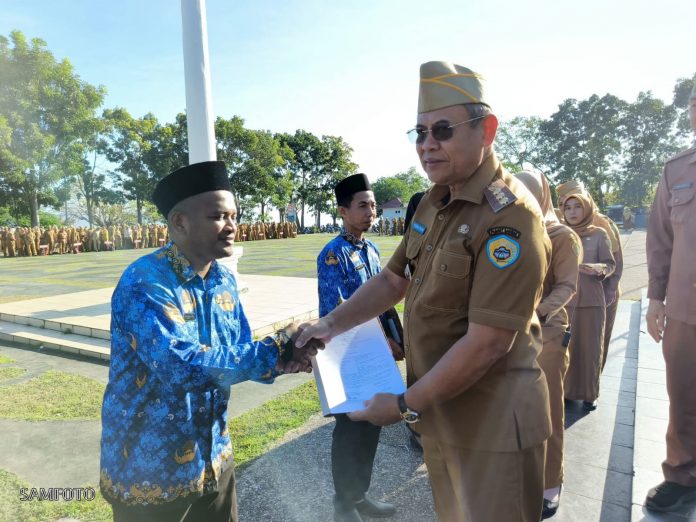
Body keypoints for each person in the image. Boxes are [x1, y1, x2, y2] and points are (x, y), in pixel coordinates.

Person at [298, 61, 551, 522]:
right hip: (441, 413)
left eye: (443, 130)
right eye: (419, 132)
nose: (427, 144)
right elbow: (393, 280)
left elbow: (489, 342)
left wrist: (402, 405)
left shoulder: (510, 216)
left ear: (486, 130)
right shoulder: (435, 202)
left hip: (492, 425)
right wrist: (329, 324)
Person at [99, 161, 320, 522]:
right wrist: (279, 347)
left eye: (234, 216)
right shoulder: (145, 282)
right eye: (218, 216)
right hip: (149, 472)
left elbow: (237, 351)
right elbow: (180, 365)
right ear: (179, 222)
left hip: (213, 456)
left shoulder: (223, 281)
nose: (232, 226)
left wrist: (286, 359)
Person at [317, 173, 402, 522]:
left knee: (372, 425)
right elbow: (333, 308)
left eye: (374, 206)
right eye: (363, 206)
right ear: (343, 211)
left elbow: (384, 300)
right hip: (348, 355)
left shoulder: (372, 249)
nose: (371, 212)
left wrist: (395, 336)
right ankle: (343, 503)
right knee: (349, 430)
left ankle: (360, 495)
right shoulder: (332, 254)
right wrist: (379, 338)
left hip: (376, 353)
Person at [644, 82, 696, 513]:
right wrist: (656, 299)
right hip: (685, 310)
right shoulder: (676, 170)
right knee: (683, 395)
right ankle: (682, 474)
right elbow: (660, 240)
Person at [517, 170, 581, 518]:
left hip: (548, 333)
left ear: (541, 195)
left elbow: (568, 286)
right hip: (510, 335)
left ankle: (550, 482)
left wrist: (536, 312)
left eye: (527, 193)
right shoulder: (511, 231)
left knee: (549, 411)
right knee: (516, 409)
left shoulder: (562, 236)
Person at [556, 181, 623, 372]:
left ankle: (591, 384)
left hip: (600, 292)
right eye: (564, 203)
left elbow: (615, 261)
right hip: (571, 296)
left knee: (594, 346)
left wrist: (610, 289)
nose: (570, 210)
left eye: (577, 204)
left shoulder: (600, 224)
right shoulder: (562, 225)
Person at [560, 191, 615, 411]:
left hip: (592, 302)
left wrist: (600, 269)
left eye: (577, 207)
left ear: (587, 209)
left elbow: (611, 264)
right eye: (568, 207)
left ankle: (589, 394)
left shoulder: (600, 234)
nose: (572, 212)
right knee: (566, 349)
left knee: (590, 349)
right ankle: (565, 392)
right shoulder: (560, 234)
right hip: (565, 302)